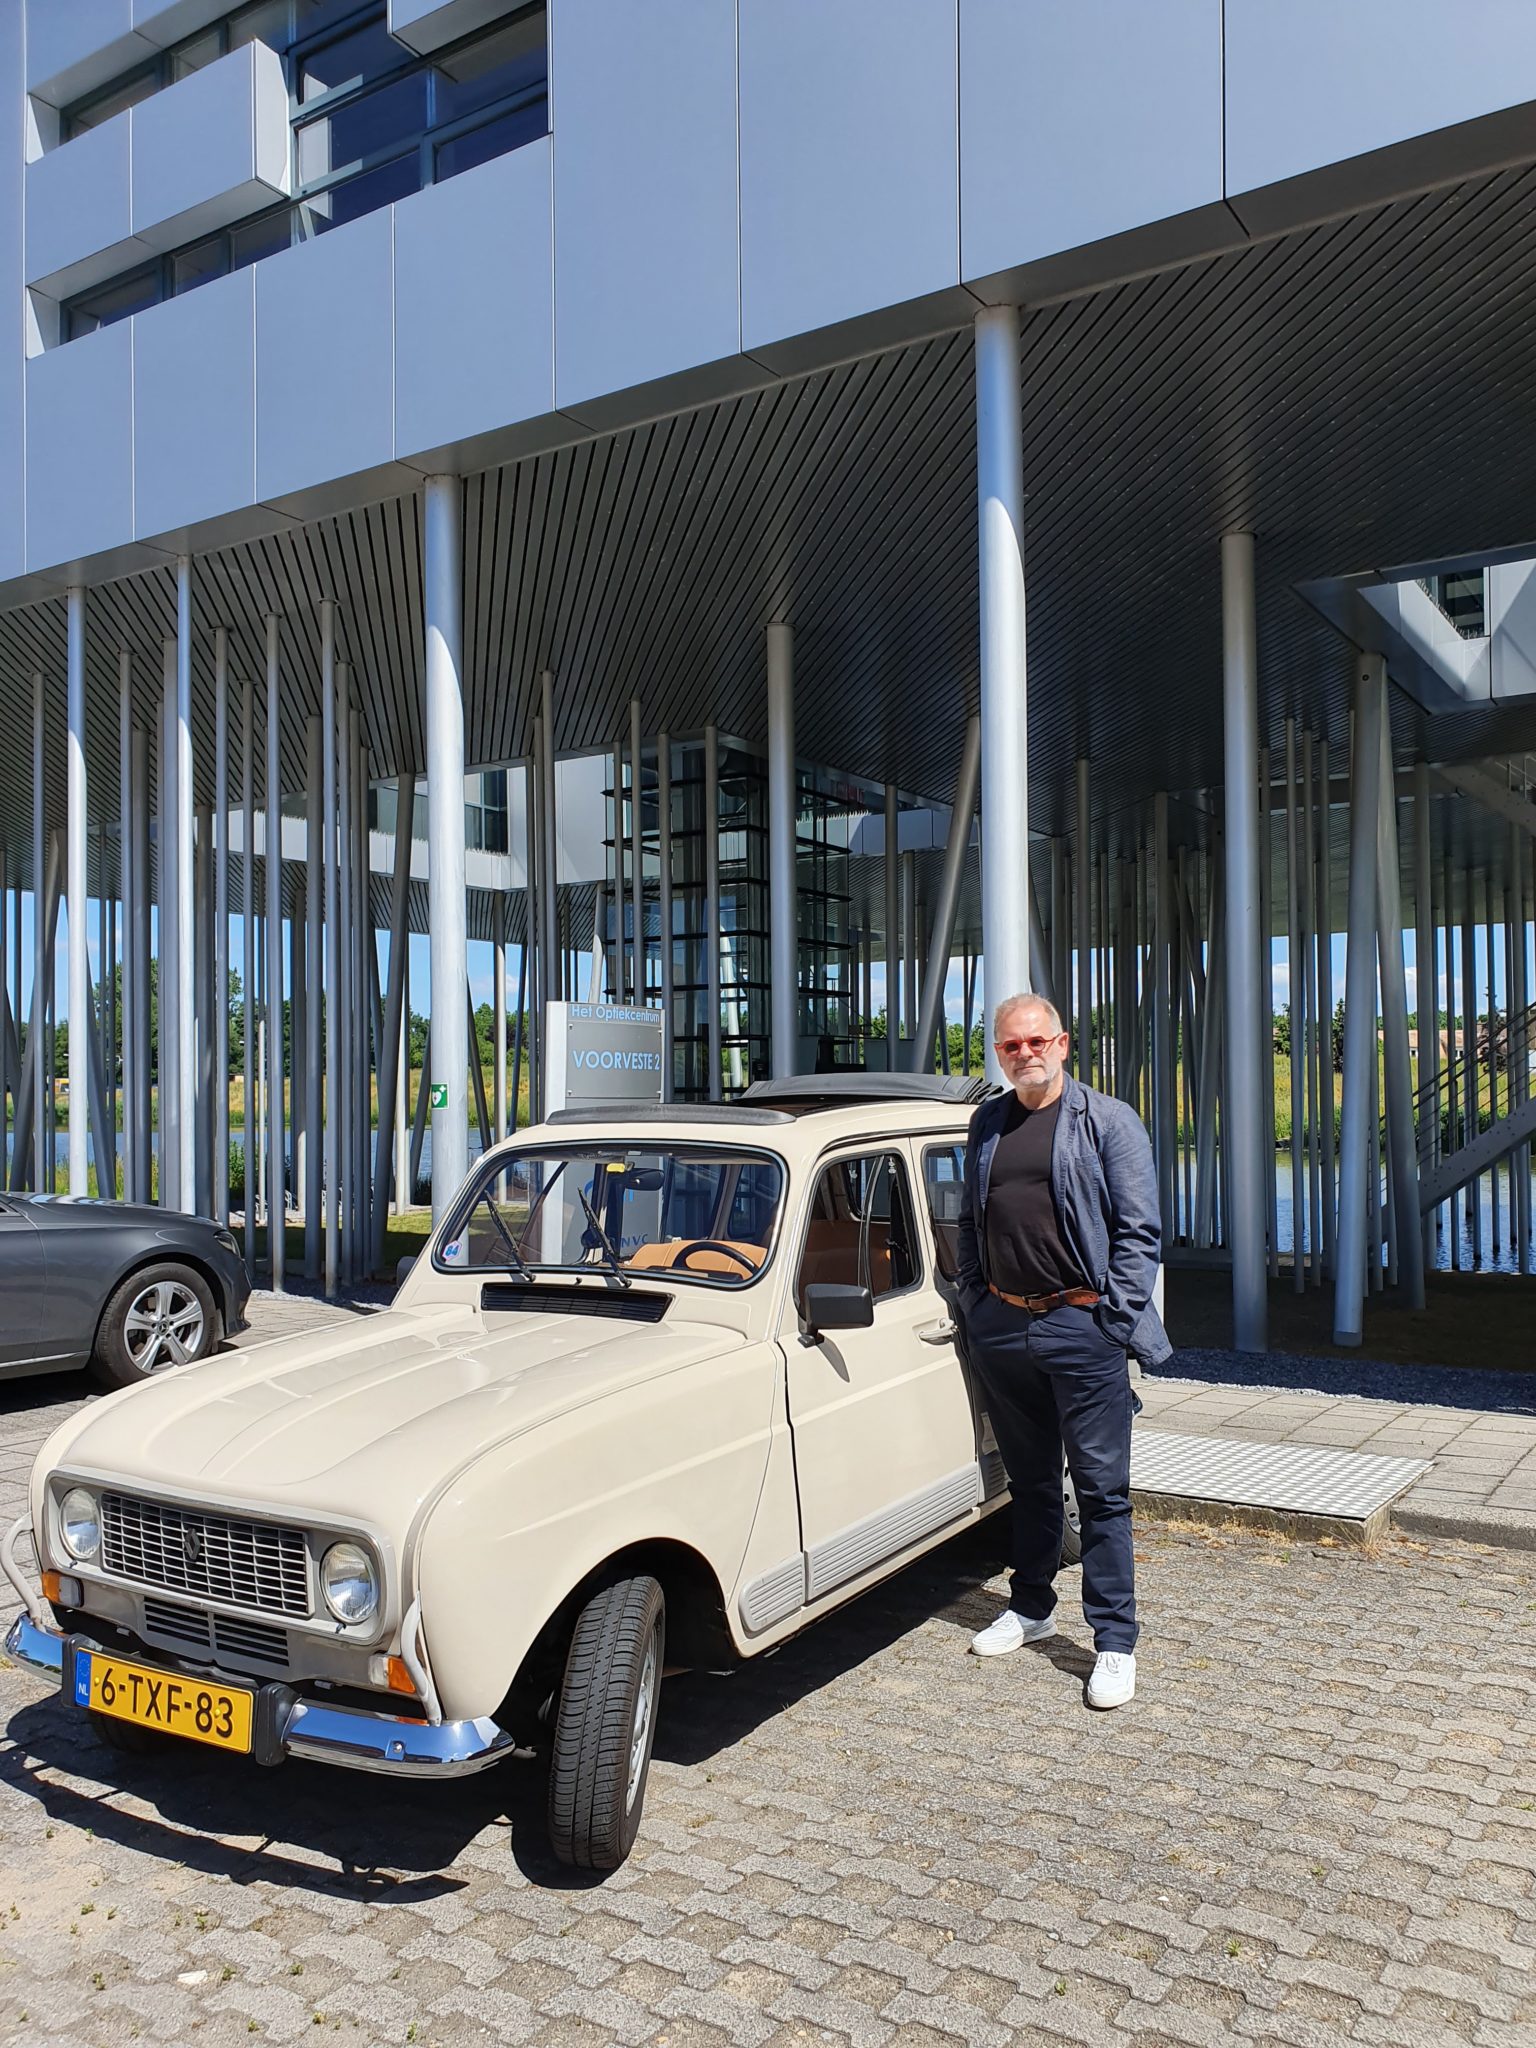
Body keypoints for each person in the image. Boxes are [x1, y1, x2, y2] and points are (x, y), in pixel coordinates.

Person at [955, 993, 1169, 1709]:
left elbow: (1139, 1232)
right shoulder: (988, 1121)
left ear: (1063, 1043)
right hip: (1003, 1326)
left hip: (1082, 1326)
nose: (1025, 1054)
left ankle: (1114, 1642)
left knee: (1102, 1490)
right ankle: (1032, 1607)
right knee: (1031, 1482)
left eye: (1036, 1041)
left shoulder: (1107, 1120)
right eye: (1011, 1045)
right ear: (999, 1052)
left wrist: (1111, 1321)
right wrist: (976, 1301)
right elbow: (970, 1219)